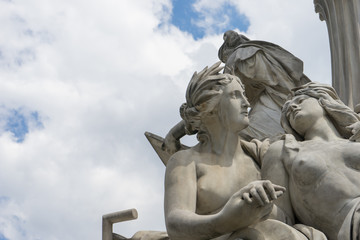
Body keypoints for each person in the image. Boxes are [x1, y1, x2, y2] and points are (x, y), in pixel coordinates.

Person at [164, 63, 325, 240]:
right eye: (235, 95)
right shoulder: (186, 161)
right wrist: (224, 220)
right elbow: (175, 223)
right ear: (209, 108)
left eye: (244, 95)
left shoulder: (264, 155)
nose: (246, 103)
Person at [162, 31, 311, 156]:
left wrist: (174, 133)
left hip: (278, 111)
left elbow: (212, 101)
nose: (226, 67)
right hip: (292, 106)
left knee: (229, 137)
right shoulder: (261, 53)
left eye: (224, 60)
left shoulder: (240, 57)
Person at [261, 82, 360, 240]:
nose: (292, 108)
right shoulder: (284, 149)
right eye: (286, 113)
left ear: (322, 100)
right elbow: (279, 217)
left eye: (300, 101)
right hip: (348, 227)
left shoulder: (355, 139)